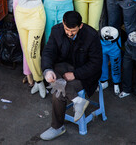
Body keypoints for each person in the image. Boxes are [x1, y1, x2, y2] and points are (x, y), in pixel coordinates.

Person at [40, 11, 102, 140]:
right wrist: (47, 70)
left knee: (59, 91)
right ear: (63, 23)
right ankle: (77, 100)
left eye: (73, 31)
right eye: (67, 29)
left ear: (80, 26)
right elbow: (48, 52)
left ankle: (57, 127)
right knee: (52, 74)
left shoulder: (91, 36)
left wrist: (75, 74)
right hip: (63, 68)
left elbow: (96, 64)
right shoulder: (56, 31)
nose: (69, 33)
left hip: (84, 74)